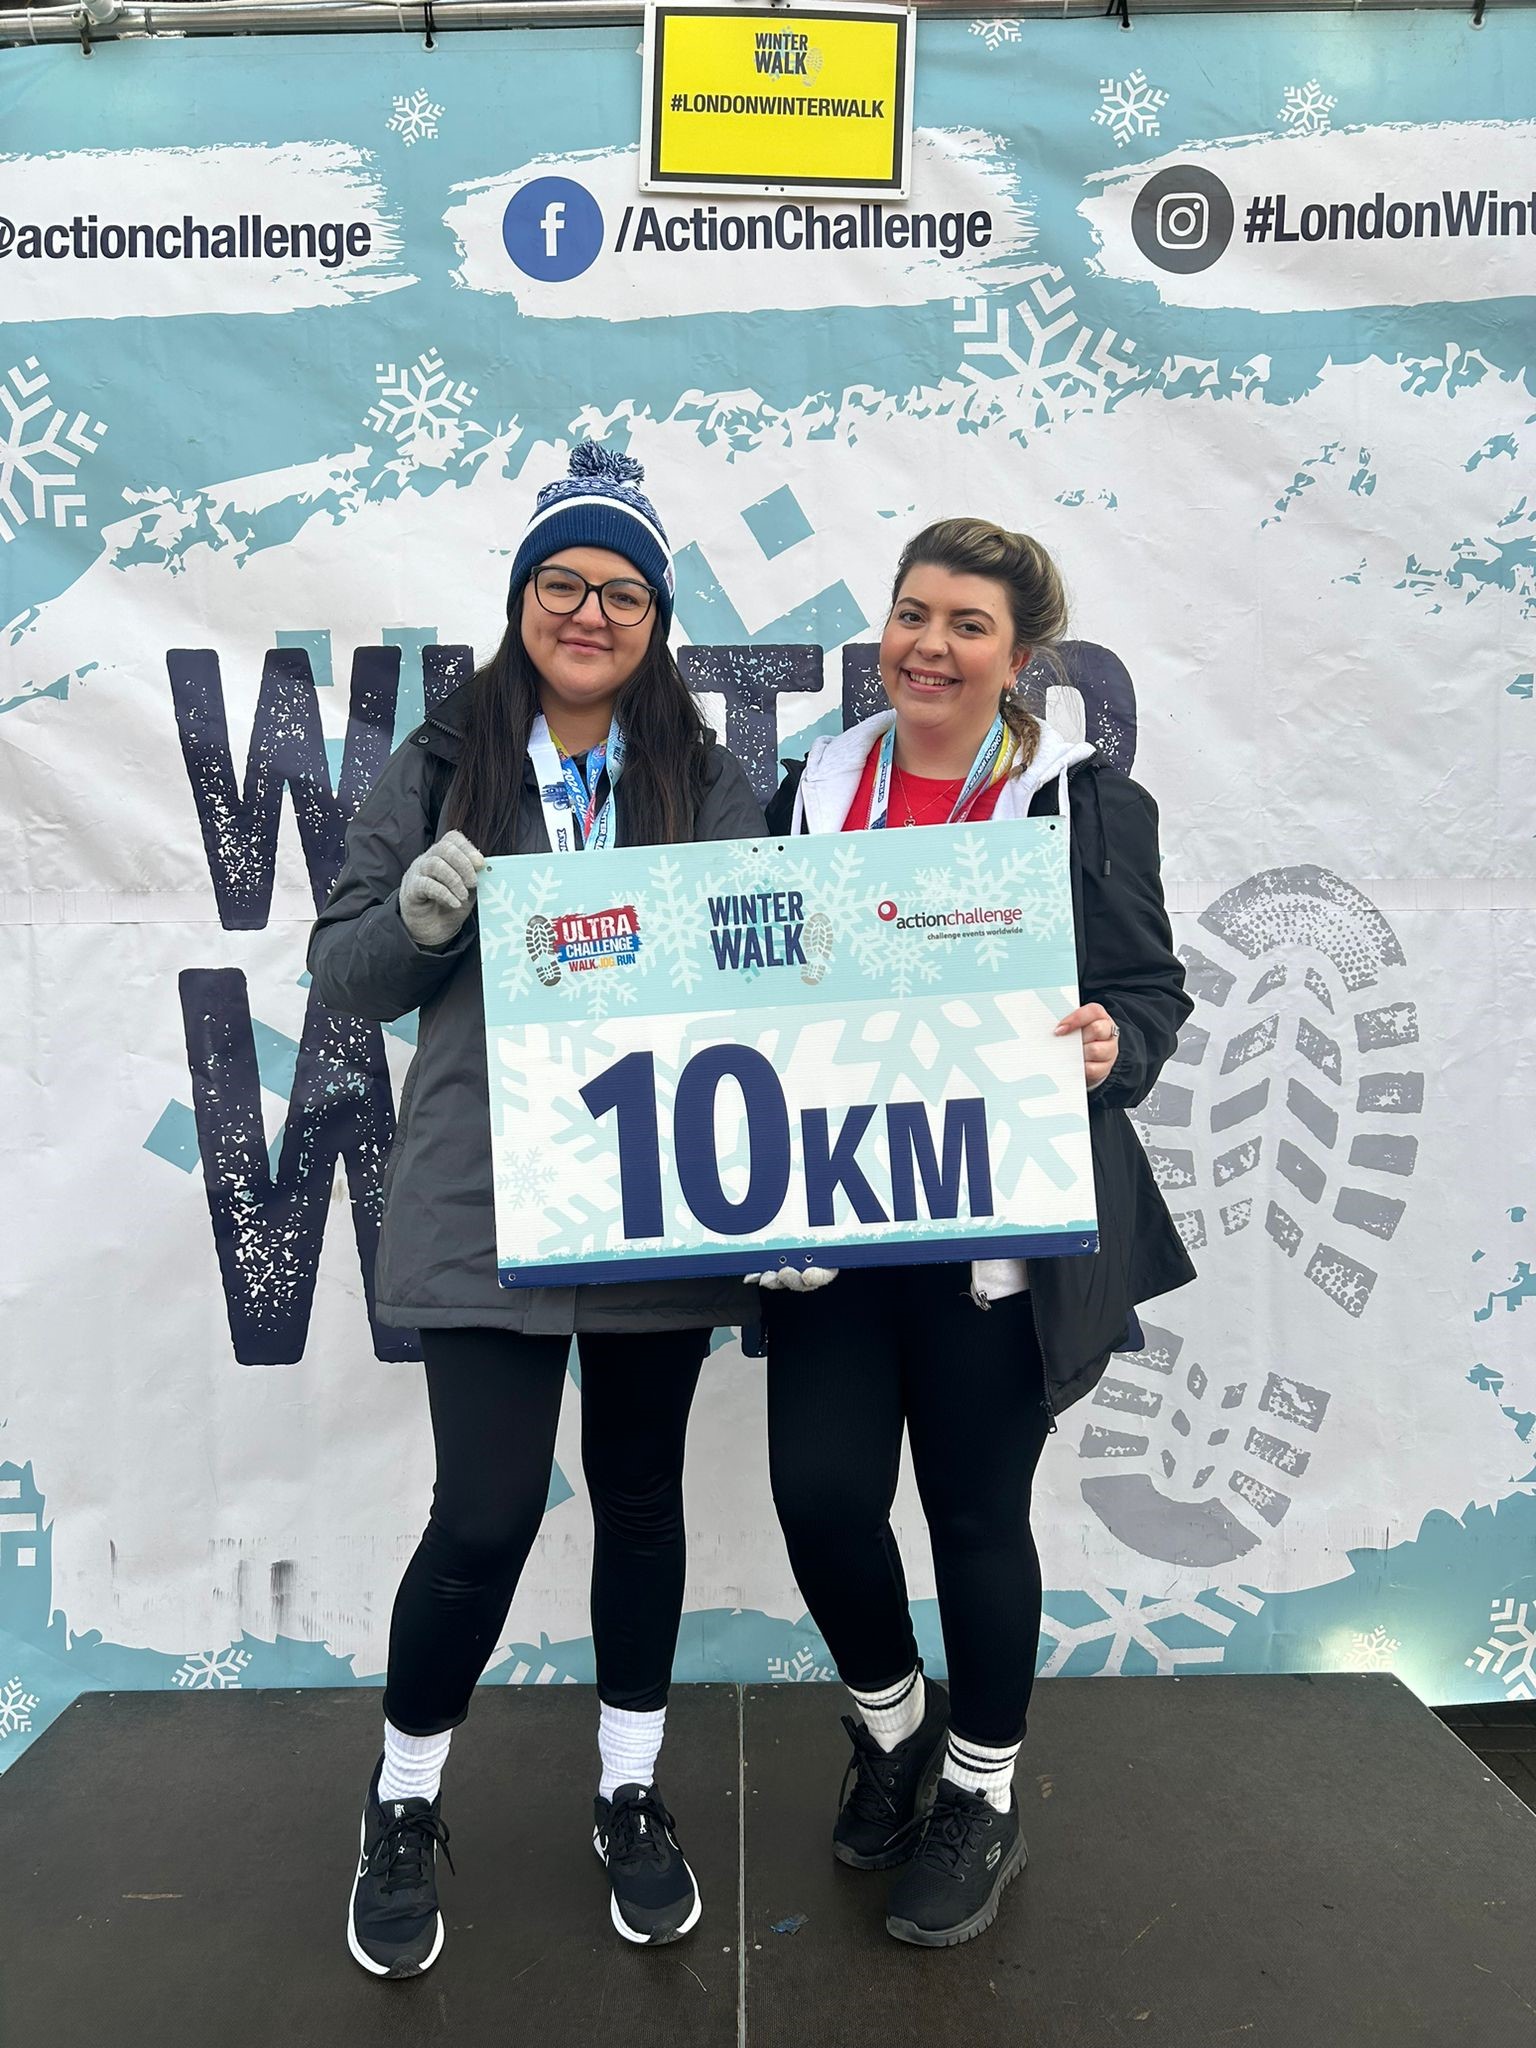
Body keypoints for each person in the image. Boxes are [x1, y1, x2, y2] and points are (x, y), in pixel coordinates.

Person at [309, 443, 764, 1977]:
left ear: (656, 622)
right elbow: (347, 973)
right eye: (564, 583)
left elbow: (770, 986)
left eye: (622, 591)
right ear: (520, 601)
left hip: (650, 1199)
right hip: (485, 1197)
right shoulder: (439, 765)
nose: (590, 611)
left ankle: (630, 1790)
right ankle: (403, 1796)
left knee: (640, 1504)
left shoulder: (712, 785)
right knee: (488, 1513)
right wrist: (419, 919)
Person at [756, 516, 1195, 1949]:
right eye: (910, 615)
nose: (928, 646)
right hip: (832, 1221)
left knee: (971, 1518)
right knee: (821, 1497)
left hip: (989, 1236)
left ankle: (981, 1791)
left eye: (966, 625)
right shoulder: (812, 787)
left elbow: (1151, 993)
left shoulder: (1079, 806)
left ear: (1021, 657)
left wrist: (1108, 1041)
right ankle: (892, 1726)